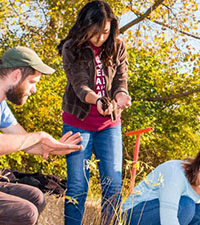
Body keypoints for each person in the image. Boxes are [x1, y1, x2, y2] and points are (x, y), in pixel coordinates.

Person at [57, 1, 132, 224]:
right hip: (77, 123)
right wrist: (98, 100)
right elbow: (80, 86)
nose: (101, 38)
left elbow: (121, 80)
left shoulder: (117, 45)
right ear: (85, 26)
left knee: (114, 184)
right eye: (96, 33)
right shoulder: (71, 47)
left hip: (109, 126)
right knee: (78, 185)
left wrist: (120, 97)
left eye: (106, 32)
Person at [0, 46, 83, 225]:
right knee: (25, 212)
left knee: (36, 196)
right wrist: (40, 136)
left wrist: (54, 147)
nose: (33, 90)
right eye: (32, 82)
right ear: (16, 75)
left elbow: (24, 141)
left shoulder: (0, 106)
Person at [122, 141, 200, 225]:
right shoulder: (175, 172)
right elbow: (169, 218)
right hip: (131, 216)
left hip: (167, 215)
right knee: (187, 206)